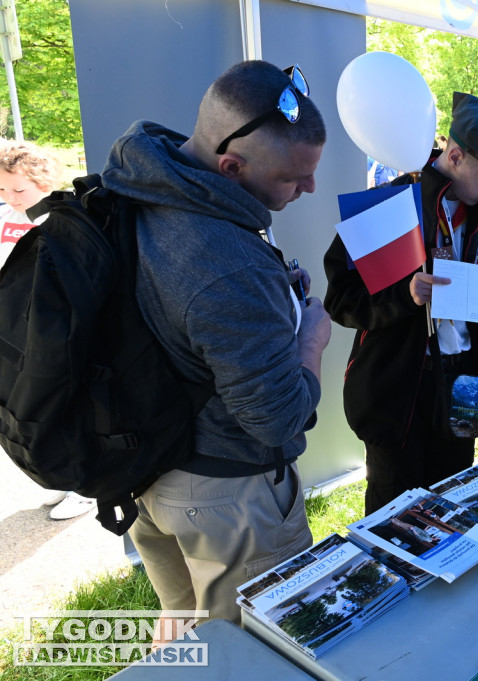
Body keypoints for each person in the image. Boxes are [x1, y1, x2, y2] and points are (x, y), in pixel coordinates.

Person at [99, 60, 332, 642]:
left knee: (184, 635)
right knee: (251, 649)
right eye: (293, 178)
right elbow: (278, 418)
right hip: (227, 496)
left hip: (153, 469)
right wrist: (311, 340)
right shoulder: (226, 264)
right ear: (230, 167)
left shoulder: (143, 182)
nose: (308, 189)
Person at [324, 92, 478, 515]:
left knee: (451, 508)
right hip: (398, 396)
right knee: (393, 518)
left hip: (464, 390)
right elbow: (341, 300)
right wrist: (405, 295)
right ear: (454, 155)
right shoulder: (391, 206)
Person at [0, 141, 102, 521]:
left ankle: (85, 487)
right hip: (19, 330)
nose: (11, 198)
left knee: (62, 407)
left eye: (19, 190)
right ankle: (64, 481)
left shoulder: (56, 221)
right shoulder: (10, 217)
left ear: (44, 183)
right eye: (3, 190)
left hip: (49, 331)